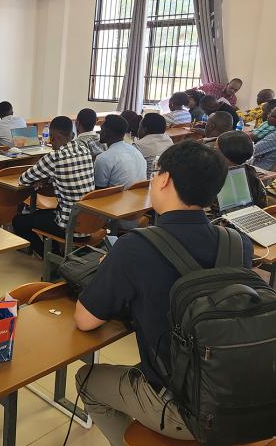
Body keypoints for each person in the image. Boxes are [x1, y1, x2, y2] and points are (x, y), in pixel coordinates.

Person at [74, 141, 253, 446]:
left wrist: (115, 270)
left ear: (165, 180)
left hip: (188, 409)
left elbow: (85, 321)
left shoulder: (135, 246)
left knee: (86, 380)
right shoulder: (238, 243)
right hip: (245, 392)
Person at [11, 116, 95, 257]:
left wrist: (44, 178)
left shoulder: (55, 157)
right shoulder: (85, 150)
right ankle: (54, 252)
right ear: (73, 135)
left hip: (70, 227)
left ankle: (50, 258)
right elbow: (69, 175)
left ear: (53, 137)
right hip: (90, 224)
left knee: (19, 221)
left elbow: (23, 179)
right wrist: (49, 178)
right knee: (44, 215)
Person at [214, 131, 266, 212]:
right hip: (253, 215)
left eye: (216, 149)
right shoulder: (250, 171)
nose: (214, 152)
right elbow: (262, 203)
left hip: (222, 221)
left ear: (227, 155)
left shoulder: (216, 175)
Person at [94, 115, 147, 189]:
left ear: (107, 132)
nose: (99, 132)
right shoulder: (136, 152)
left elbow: (98, 192)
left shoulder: (103, 158)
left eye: (101, 129)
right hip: (140, 198)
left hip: (116, 199)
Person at [135, 113, 173, 178]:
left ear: (145, 129)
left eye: (140, 127)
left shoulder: (138, 145)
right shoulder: (169, 140)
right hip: (166, 180)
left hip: (147, 183)